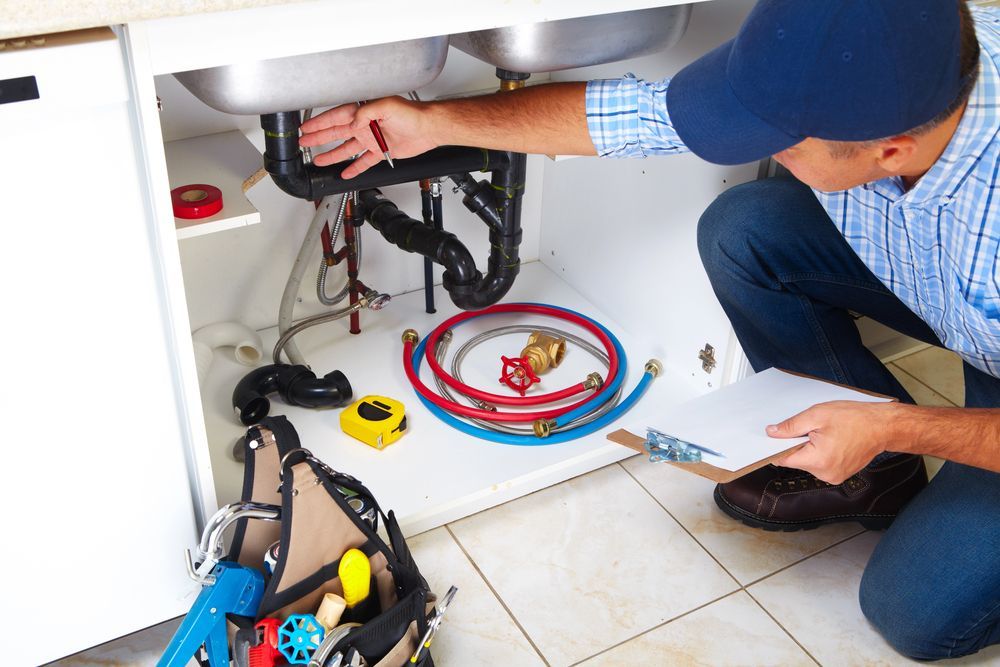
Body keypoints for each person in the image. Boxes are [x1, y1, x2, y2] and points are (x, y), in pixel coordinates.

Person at [300, 0, 1000, 660]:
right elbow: (634, 117)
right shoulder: (866, 57)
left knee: (910, 610)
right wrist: (435, 123)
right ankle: (877, 477)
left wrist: (899, 424)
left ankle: (885, 446)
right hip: (953, 294)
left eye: (780, 147)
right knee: (745, 229)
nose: (756, 150)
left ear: (890, 151)